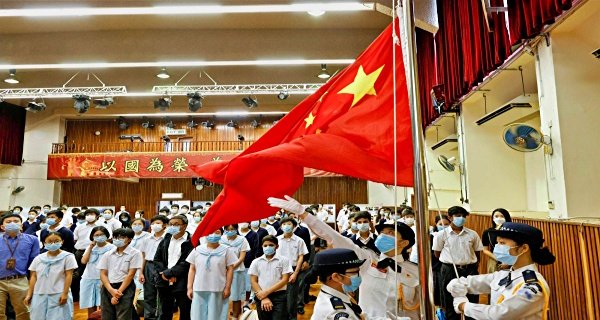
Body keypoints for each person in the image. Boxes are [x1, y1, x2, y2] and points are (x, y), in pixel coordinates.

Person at [268, 195, 419, 319]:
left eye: (391, 234)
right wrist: (303, 213)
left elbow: (421, 308)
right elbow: (333, 236)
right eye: (382, 233)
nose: (383, 236)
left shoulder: (416, 271)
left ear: (404, 242)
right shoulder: (368, 259)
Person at [448, 222, 555, 319]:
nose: (497, 247)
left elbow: (500, 314)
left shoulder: (533, 287)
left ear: (524, 248)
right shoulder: (504, 275)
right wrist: (455, 285)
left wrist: (463, 306)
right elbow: (470, 283)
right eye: (497, 243)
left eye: (502, 243)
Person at [432, 206, 484, 320]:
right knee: (449, 301)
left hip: (469, 270)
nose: (461, 218)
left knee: (472, 299)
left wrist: (472, 264)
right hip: (449, 270)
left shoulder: (472, 234)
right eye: (458, 216)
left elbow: (477, 252)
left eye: (463, 216)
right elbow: (437, 253)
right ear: (450, 217)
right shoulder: (442, 235)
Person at [24, 231, 78, 320]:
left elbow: (69, 275)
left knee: (60, 317)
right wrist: (29, 294)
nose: (53, 243)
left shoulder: (68, 256)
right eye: (49, 241)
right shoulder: (38, 258)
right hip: (39, 293)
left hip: (58, 293)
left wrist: (65, 294)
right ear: (44, 243)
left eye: (57, 241)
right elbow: (33, 276)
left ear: (62, 241)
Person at [186, 228, 236, 320]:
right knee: (198, 315)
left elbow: (230, 269)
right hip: (199, 288)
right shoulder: (197, 249)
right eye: (210, 232)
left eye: (217, 232)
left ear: (221, 234)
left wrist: (228, 287)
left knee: (216, 315)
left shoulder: (227, 250)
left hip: (218, 288)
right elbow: (192, 269)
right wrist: (189, 287)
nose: (213, 234)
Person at [0, 213, 40, 320]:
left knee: (23, 311)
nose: (12, 223)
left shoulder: (32, 240)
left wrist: (33, 284)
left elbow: (34, 264)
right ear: (2, 226)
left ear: (21, 225)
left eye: (16, 221)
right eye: (8, 222)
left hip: (20, 280)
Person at [98, 228, 143, 320]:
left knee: (123, 315)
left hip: (125, 287)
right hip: (108, 287)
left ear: (130, 239)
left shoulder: (135, 253)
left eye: (121, 237)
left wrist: (118, 293)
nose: (117, 239)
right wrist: (111, 290)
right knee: (106, 315)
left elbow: (130, 275)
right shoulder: (108, 254)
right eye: (115, 237)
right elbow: (103, 274)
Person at [153, 215, 193, 320]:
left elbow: (188, 262)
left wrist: (171, 273)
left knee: (185, 310)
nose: (172, 226)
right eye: (171, 224)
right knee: (165, 310)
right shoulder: (166, 239)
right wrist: (165, 273)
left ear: (184, 226)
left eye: (176, 224)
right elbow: (157, 259)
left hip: (182, 280)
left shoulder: (191, 241)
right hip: (163, 280)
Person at [310, 248, 366, 320]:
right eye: (354, 272)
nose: (358, 276)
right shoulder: (337, 312)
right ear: (336, 277)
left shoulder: (338, 294)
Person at [248, 235, 292, 320]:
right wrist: (263, 297)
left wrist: (266, 293)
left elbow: (285, 279)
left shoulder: (284, 260)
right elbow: (253, 281)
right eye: (265, 245)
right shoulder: (256, 262)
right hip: (261, 295)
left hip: (279, 296)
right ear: (262, 247)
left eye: (271, 245)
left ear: (277, 246)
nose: (268, 247)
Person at [80, 226, 115, 317]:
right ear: (92, 236)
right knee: (89, 303)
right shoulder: (90, 247)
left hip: (104, 279)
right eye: (96, 235)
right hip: (89, 277)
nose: (99, 237)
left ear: (106, 235)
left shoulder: (112, 247)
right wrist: (91, 247)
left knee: (103, 304)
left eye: (101, 234)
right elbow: (83, 261)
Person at [140, 215, 169, 320]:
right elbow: (143, 256)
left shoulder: (168, 238)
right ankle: (149, 317)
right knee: (149, 293)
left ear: (164, 225)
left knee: (162, 294)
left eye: (157, 223)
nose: (154, 225)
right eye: (153, 223)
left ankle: (161, 316)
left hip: (162, 266)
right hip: (148, 265)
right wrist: (141, 272)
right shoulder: (147, 239)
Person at [220, 224, 250, 320]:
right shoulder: (221, 239)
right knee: (221, 294)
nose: (230, 231)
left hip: (237, 271)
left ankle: (235, 315)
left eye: (232, 229)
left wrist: (231, 268)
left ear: (237, 229)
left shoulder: (242, 240)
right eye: (228, 229)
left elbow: (241, 257)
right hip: (222, 271)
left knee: (236, 294)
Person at [482, 208, 512, 274]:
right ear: (493, 218)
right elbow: (485, 250)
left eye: (502, 216)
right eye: (496, 216)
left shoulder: (512, 231)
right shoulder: (488, 232)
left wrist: (508, 261)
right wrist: (497, 258)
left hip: (511, 259)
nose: (499, 218)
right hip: (494, 260)